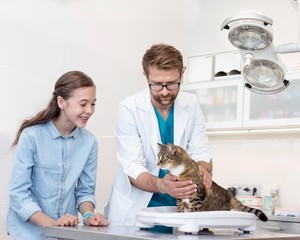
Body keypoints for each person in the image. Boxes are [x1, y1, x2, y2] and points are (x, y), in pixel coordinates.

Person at [105, 43, 213, 228]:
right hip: (138, 211)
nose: (164, 91)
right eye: (156, 84)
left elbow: (201, 150)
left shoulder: (191, 103)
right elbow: (132, 166)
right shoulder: (129, 108)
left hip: (180, 207)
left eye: (171, 83)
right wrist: (163, 186)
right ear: (145, 76)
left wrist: (202, 169)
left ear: (182, 72)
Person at [6, 71, 109, 239]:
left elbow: (85, 191)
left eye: (93, 104)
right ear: (61, 102)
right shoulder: (32, 136)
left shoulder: (89, 142)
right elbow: (18, 194)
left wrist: (89, 216)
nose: (89, 111)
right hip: (27, 234)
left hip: (63, 234)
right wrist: (53, 225)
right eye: (83, 104)